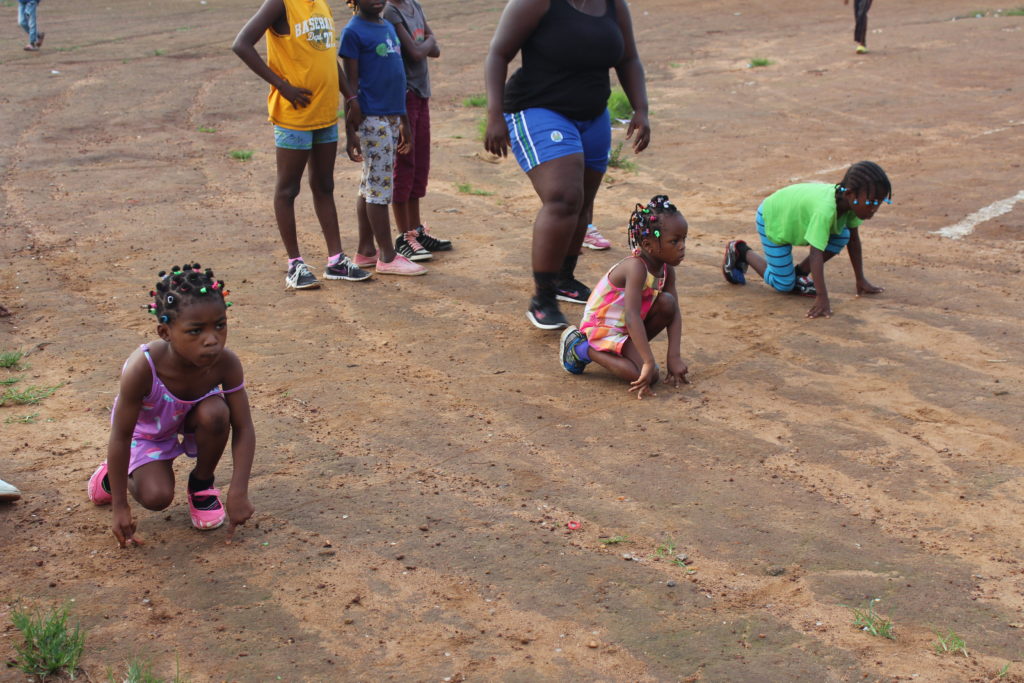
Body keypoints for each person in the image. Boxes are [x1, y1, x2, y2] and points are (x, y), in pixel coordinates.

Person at [484, 0, 650, 330]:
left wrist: (641, 109)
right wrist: (493, 114)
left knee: (583, 203)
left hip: (592, 114)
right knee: (563, 197)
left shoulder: (613, 5)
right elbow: (498, 54)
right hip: (537, 108)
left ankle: (564, 278)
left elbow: (628, 58)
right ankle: (542, 298)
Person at [88, 264, 256, 547]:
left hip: (190, 419)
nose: (212, 339)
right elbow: (121, 435)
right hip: (145, 433)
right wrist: (120, 506)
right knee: (157, 498)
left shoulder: (226, 363)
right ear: (165, 332)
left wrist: (238, 490)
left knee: (217, 413)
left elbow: (243, 426)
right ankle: (113, 474)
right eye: (195, 331)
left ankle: (202, 484)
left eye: (220, 325)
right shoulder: (143, 368)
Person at [233, 0, 372, 291]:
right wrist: (282, 85)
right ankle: (295, 265)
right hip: (293, 115)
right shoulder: (280, 3)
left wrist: (350, 96)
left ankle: (336, 260)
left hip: (323, 112)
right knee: (287, 189)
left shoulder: (320, 4)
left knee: (324, 186)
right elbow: (242, 44)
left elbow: (325, 57)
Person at [722, 161, 891, 319]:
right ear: (849, 193)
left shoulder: (848, 202)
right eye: (870, 202)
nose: (875, 208)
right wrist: (822, 297)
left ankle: (798, 274)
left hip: (792, 220)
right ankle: (741, 251)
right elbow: (816, 253)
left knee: (843, 235)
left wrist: (860, 279)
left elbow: (853, 240)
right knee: (783, 285)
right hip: (773, 219)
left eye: (880, 202)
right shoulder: (825, 211)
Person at [559, 196, 689, 399]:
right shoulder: (636, 268)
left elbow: (674, 314)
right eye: (674, 241)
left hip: (626, 327)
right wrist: (647, 361)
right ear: (648, 244)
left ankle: (624, 352)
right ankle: (581, 348)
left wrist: (674, 356)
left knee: (668, 304)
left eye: (683, 239)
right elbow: (631, 316)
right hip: (604, 327)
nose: (682, 246)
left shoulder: (667, 270)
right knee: (648, 374)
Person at [340, 0, 425, 276]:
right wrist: (350, 130)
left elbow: (396, 76)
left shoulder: (387, 26)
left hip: (391, 115)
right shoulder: (353, 32)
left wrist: (404, 121)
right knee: (379, 188)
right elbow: (350, 87)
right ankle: (387, 256)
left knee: (370, 184)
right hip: (371, 117)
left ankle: (366, 251)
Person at [382, 0, 453, 262]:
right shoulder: (391, 11)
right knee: (405, 161)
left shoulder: (413, 5)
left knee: (420, 163)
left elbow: (432, 48)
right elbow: (415, 52)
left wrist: (423, 47)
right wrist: (425, 46)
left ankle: (416, 231)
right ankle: (404, 237)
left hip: (421, 92)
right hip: (405, 95)